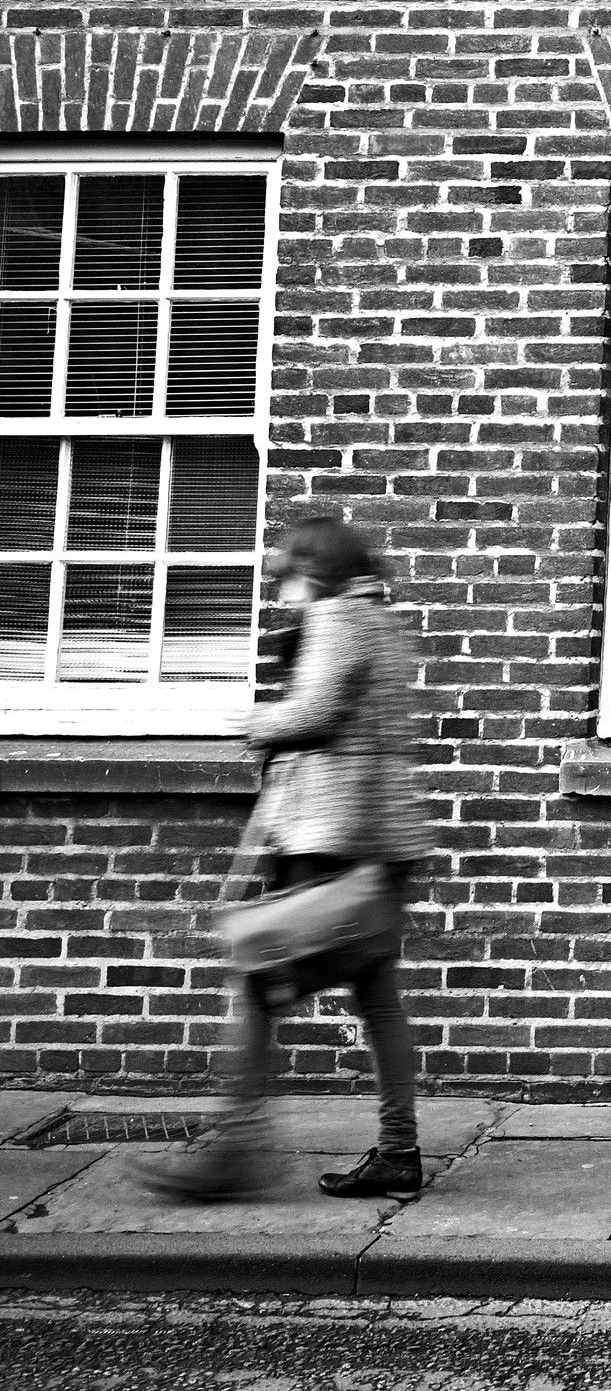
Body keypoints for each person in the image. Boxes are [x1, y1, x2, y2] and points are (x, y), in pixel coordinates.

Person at [139, 513, 436, 1203]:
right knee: (379, 998)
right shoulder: (385, 625)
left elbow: (317, 713)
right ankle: (399, 1151)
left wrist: (252, 721)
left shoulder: (336, 618)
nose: (283, 593)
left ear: (315, 571)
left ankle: (234, 1154)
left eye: (288, 577)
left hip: (332, 842)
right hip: (386, 842)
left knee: (256, 980)